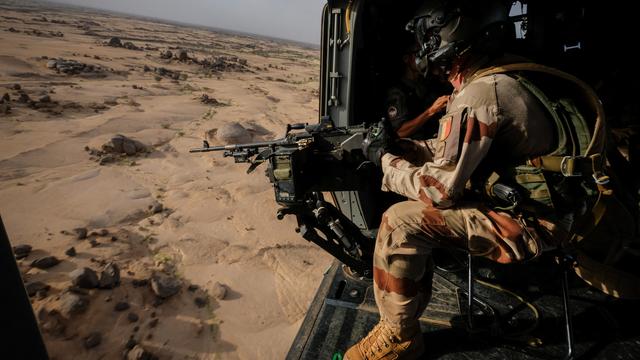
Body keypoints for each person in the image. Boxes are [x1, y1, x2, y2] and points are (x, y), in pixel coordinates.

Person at [345, 0, 620, 359]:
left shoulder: (479, 95)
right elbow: (456, 149)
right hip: (560, 204)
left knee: (399, 223)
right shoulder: (499, 76)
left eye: (422, 44)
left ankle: (400, 338)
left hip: (539, 223)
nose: (418, 54)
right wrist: (405, 147)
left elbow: (440, 191)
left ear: (442, 46)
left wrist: (385, 160)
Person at [383, 37, 449, 139]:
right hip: (418, 147)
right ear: (406, 59)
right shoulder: (397, 92)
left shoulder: (427, 82)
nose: (423, 58)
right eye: (418, 53)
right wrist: (431, 111)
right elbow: (400, 131)